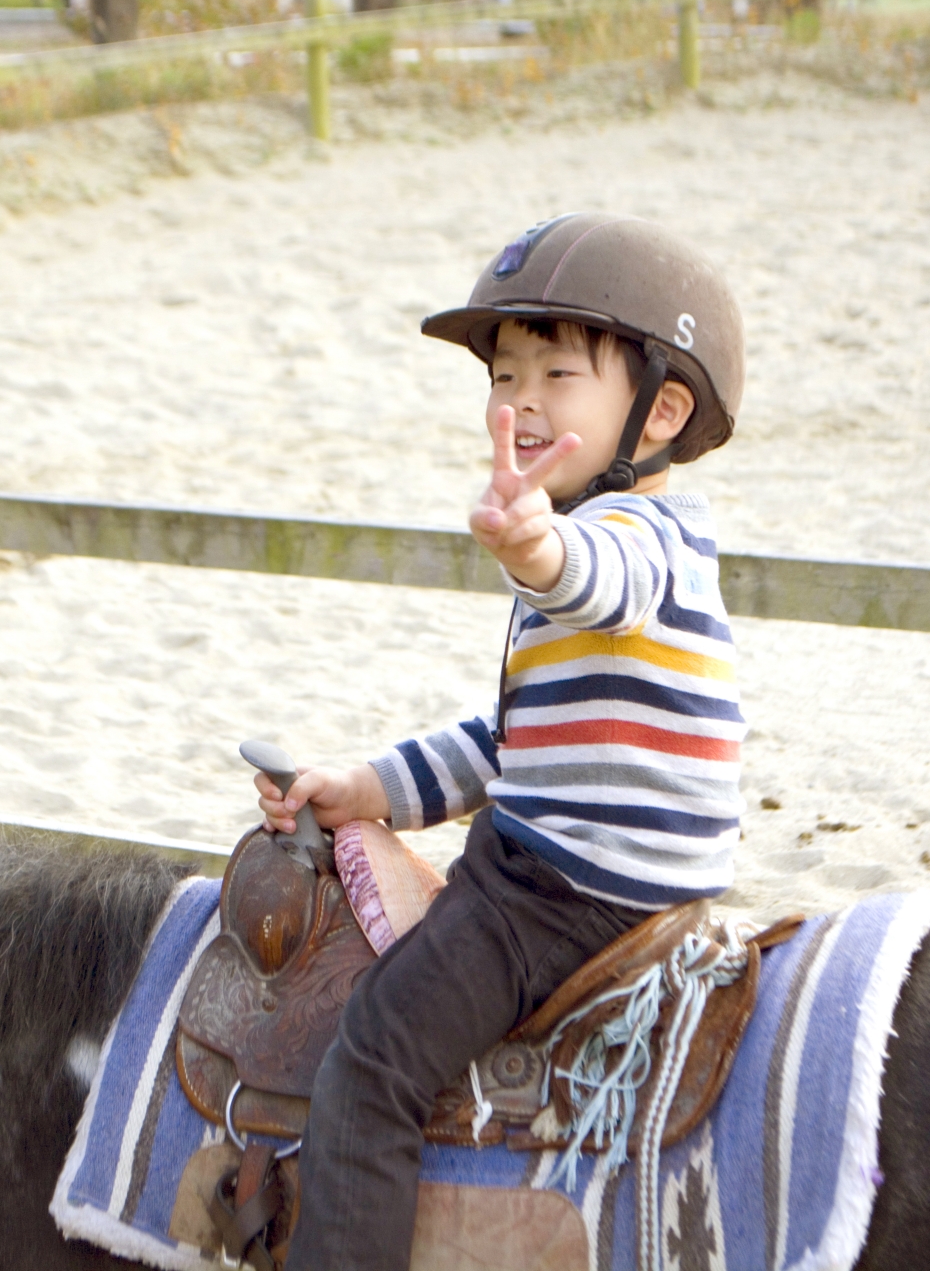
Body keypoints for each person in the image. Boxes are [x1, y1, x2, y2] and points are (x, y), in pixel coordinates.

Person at [250, 212, 749, 1271]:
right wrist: (369, 786)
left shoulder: (642, 542)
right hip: (612, 873)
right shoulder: (597, 548)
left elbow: (594, 576)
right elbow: (506, 739)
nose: (518, 402)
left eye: (557, 375)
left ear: (660, 411)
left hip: (561, 894)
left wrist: (535, 548)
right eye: (505, 374)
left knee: (373, 1058)